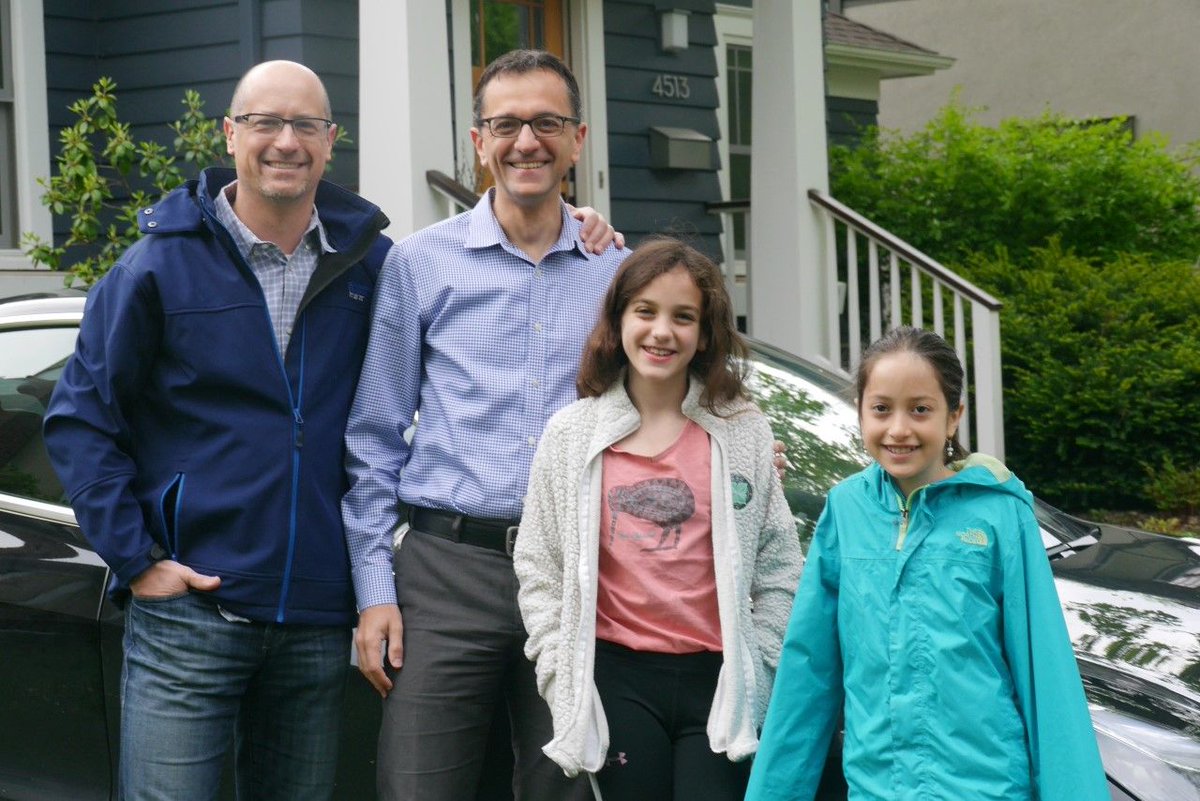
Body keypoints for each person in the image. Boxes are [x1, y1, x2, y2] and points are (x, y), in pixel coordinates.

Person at [39, 59, 615, 801]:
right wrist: (138, 557)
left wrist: (591, 226)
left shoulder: (369, 263)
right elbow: (82, 417)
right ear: (230, 134)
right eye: (264, 123)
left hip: (317, 616)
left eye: (305, 125)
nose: (286, 141)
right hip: (195, 608)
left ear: (330, 140)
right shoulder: (162, 267)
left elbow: (659, 384)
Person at [342, 50, 629, 801]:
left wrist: (748, 445)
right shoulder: (419, 263)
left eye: (546, 122)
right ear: (478, 142)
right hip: (445, 572)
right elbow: (373, 438)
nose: (526, 141)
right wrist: (376, 589)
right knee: (418, 787)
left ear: (578, 138)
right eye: (506, 124)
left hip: (578, 571)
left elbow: (671, 400)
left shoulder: (618, 273)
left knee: (569, 786)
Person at [744, 326, 1109, 801]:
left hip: (985, 789)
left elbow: (1045, 673)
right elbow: (809, 672)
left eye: (920, 409)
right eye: (881, 409)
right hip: (877, 789)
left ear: (953, 416)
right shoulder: (845, 510)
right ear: (861, 413)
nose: (899, 429)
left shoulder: (1000, 513)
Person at [512, 238, 804, 801]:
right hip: (617, 679)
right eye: (645, 311)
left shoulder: (741, 431)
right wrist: (557, 667)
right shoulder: (572, 435)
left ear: (706, 332)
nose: (661, 332)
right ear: (619, 318)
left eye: (683, 317)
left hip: (717, 683)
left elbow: (779, 566)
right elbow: (538, 563)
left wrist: (760, 668)